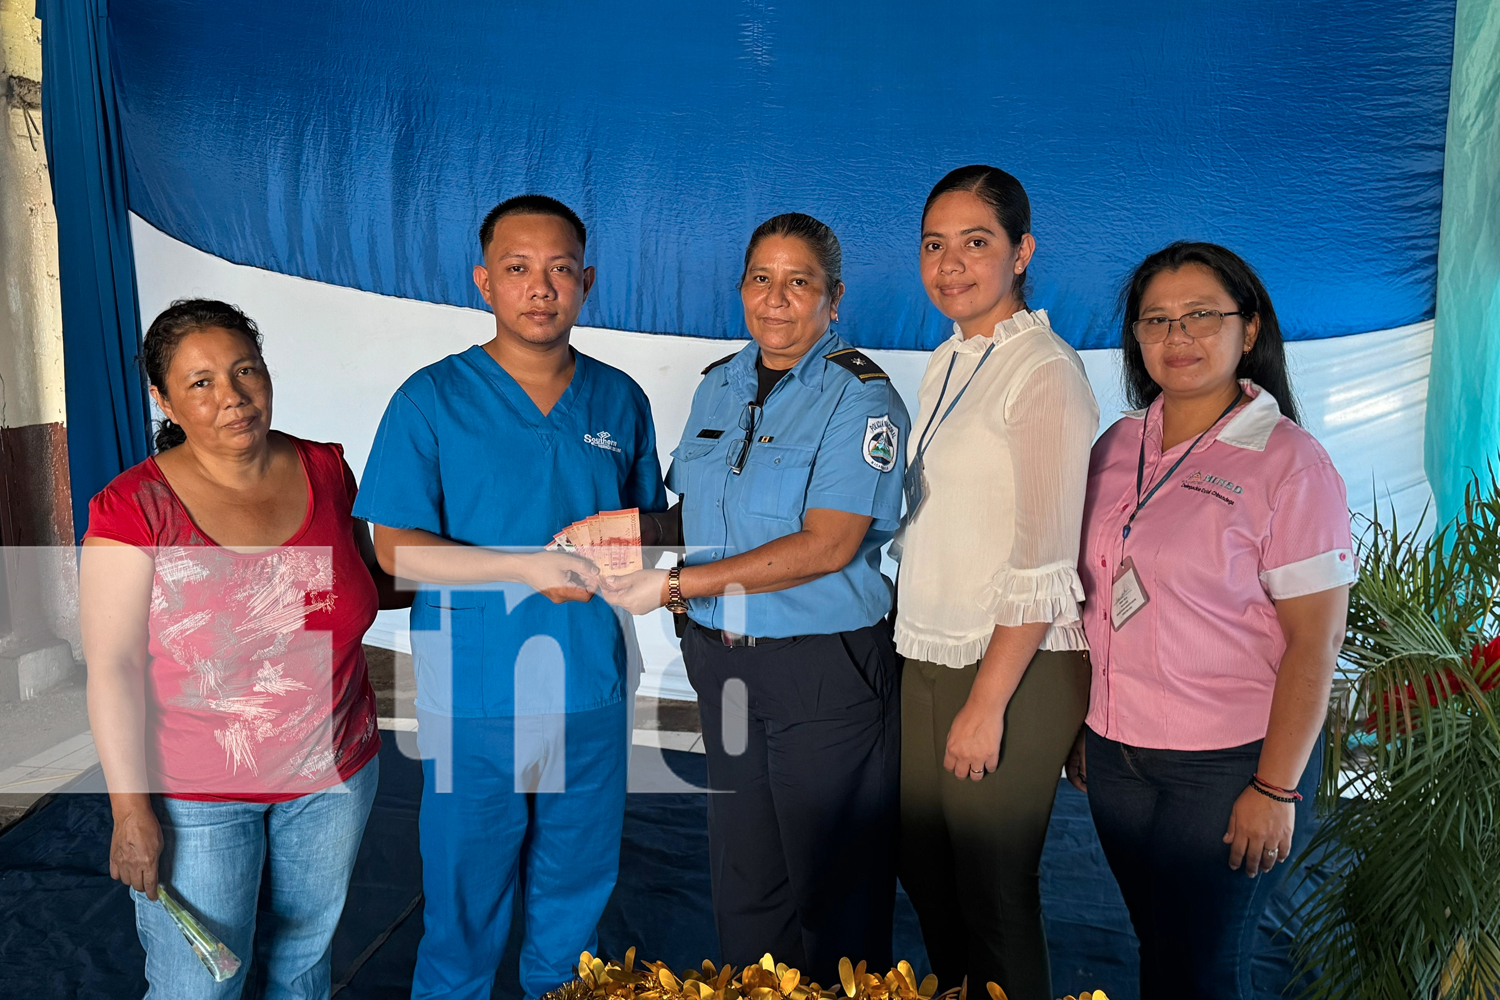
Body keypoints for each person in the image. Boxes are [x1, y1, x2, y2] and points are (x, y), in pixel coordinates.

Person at [354, 195, 666, 1000]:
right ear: (483, 281)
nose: (541, 287)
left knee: (574, 907)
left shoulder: (619, 400)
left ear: (587, 281)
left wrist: (657, 575)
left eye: (560, 269)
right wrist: (525, 568)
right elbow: (398, 551)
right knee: (464, 909)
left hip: (588, 692)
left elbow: (646, 531)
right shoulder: (431, 399)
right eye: (519, 269)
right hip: (477, 698)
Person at [602, 213, 910, 982]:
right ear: (742, 288)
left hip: (823, 671)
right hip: (724, 664)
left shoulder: (862, 401)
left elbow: (826, 545)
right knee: (746, 880)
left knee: (833, 890)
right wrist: (615, 531)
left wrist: (672, 584)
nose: (777, 299)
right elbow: (706, 515)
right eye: (761, 280)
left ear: (833, 299)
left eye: (799, 282)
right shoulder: (719, 385)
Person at [80, 299, 399, 999]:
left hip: (332, 775)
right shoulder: (132, 510)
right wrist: (131, 811)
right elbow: (111, 667)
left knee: (303, 964)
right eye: (200, 383)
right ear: (163, 399)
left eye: (244, 370)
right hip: (199, 795)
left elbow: (366, 584)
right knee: (202, 986)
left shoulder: (323, 469)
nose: (232, 397)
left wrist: (497, 562)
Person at [1071, 242, 1355, 999]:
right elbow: (1087, 598)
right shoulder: (1113, 447)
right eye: (1156, 320)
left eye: (1202, 316)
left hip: (1231, 765)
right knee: (1159, 949)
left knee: (1201, 970)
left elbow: (1315, 643)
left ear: (1250, 329)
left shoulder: (1290, 463)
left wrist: (1276, 789)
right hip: (1116, 755)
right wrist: (1080, 726)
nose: (1178, 337)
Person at [893, 166, 1098, 1000]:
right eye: (935, 245)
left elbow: (1044, 562)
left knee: (992, 883)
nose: (951, 263)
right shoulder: (948, 358)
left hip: (1014, 660)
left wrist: (987, 704)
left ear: (1022, 252)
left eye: (976, 242)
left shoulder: (1043, 369)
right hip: (930, 650)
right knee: (923, 862)